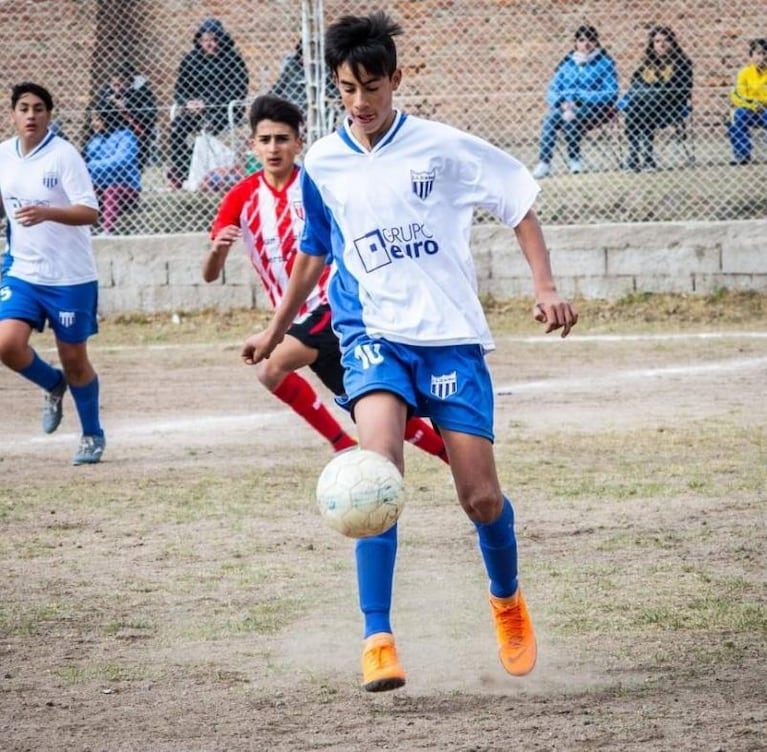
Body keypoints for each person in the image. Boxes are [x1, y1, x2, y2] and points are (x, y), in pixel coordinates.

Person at [241, 12, 578, 692]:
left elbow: (517, 203)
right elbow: (313, 252)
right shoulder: (324, 164)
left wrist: (544, 286)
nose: (360, 104)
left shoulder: (440, 147)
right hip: (371, 335)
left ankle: (506, 600)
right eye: (345, 90)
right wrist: (276, 332)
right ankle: (377, 637)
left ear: (397, 79)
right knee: (378, 475)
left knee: (480, 497)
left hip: (448, 339)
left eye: (372, 87)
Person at [204, 94, 448, 463]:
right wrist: (218, 251)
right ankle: (452, 455)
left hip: (335, 306)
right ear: (252, 144)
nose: (274, 148)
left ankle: (341, 445)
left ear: (299, 143)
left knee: (272, 368)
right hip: (296, 320)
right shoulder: (242, 197)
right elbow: (209, 276)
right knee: (382, 412)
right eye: (265, 140)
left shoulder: (318, 183)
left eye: (283, 139)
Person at [0, 83, 106, 465]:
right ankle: (52, 383)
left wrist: (47, 212)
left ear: (49, 115)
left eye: (39, 109)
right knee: (7, 345)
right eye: (24, 108)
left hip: (69, 276)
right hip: (23, 270)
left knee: (75, 358)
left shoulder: (64, 156)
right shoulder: (3, 156)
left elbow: (90, 212)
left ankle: (92, 433)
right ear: (12, 114)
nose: (31, 115)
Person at [168, 17, 250, 189]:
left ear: (221, 40)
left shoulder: (232, 59)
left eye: (214, 40)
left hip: (221, 109)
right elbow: (180, 90)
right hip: (194, 110)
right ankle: (181, 173)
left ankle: (207, 173)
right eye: (205, 40)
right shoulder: (190, 60)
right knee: (177, 128)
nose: (210, 44)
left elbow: (238, 90)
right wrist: (187, 103)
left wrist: (208, 103)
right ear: (199, 41)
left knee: (208, 129)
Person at [532, 25, 619, 178]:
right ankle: (544, 163)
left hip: (595, 109)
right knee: (550, 119)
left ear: (596, 42)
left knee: (571, 117)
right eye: (581, 40)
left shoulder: (605, 64)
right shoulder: (566, 64)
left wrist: (579, 97)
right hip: (565, 107)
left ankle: (574, 159)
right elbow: (551, 90)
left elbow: (611, 93)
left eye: (590, 40)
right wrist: (561, 103)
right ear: (575, 43)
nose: (586, 44)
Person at [619, 26, 693, 172]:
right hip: (645, 107)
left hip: (671, 108)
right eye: (657, 41)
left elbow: (679, 91)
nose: (662, 44)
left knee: (639, 105)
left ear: (673, 43)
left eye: (666, 41)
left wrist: (652, 92)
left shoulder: (683, 64)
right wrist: (650, 92)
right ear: (652, 45)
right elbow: (635, 84)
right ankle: (642, 157)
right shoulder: (646, 64)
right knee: (638, 106)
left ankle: (637, 157)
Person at [84, 107, 141, 235]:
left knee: (112, 190)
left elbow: (122, 160)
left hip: (126, 185)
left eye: (97, 119)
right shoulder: (95, 141)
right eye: (92, 120)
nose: (93, 123)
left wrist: (91, 165)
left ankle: (108, 230)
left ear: (108, 119)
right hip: (100, 183)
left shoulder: (126, 136)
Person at [93, 62, 157, 169]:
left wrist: (126, 106)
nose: (116, 88)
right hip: (110, 133)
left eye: (120, 84)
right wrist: (111, 103)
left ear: (129, 82)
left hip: (133, 134)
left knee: (122, 160)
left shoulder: (143, 92)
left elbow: (150, 116)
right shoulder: (108, 91)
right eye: (114, 84)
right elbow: (99, 108)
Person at [727, 38, 767, 166]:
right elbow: (737, 95)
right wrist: (753, 104)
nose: (762, 57)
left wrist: (762, 103)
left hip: (765, 109)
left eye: (765, 53)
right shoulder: (744, 73)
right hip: (749, 109)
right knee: (736, 115)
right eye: (758, 53)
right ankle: (742, 154)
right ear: (751, 55)